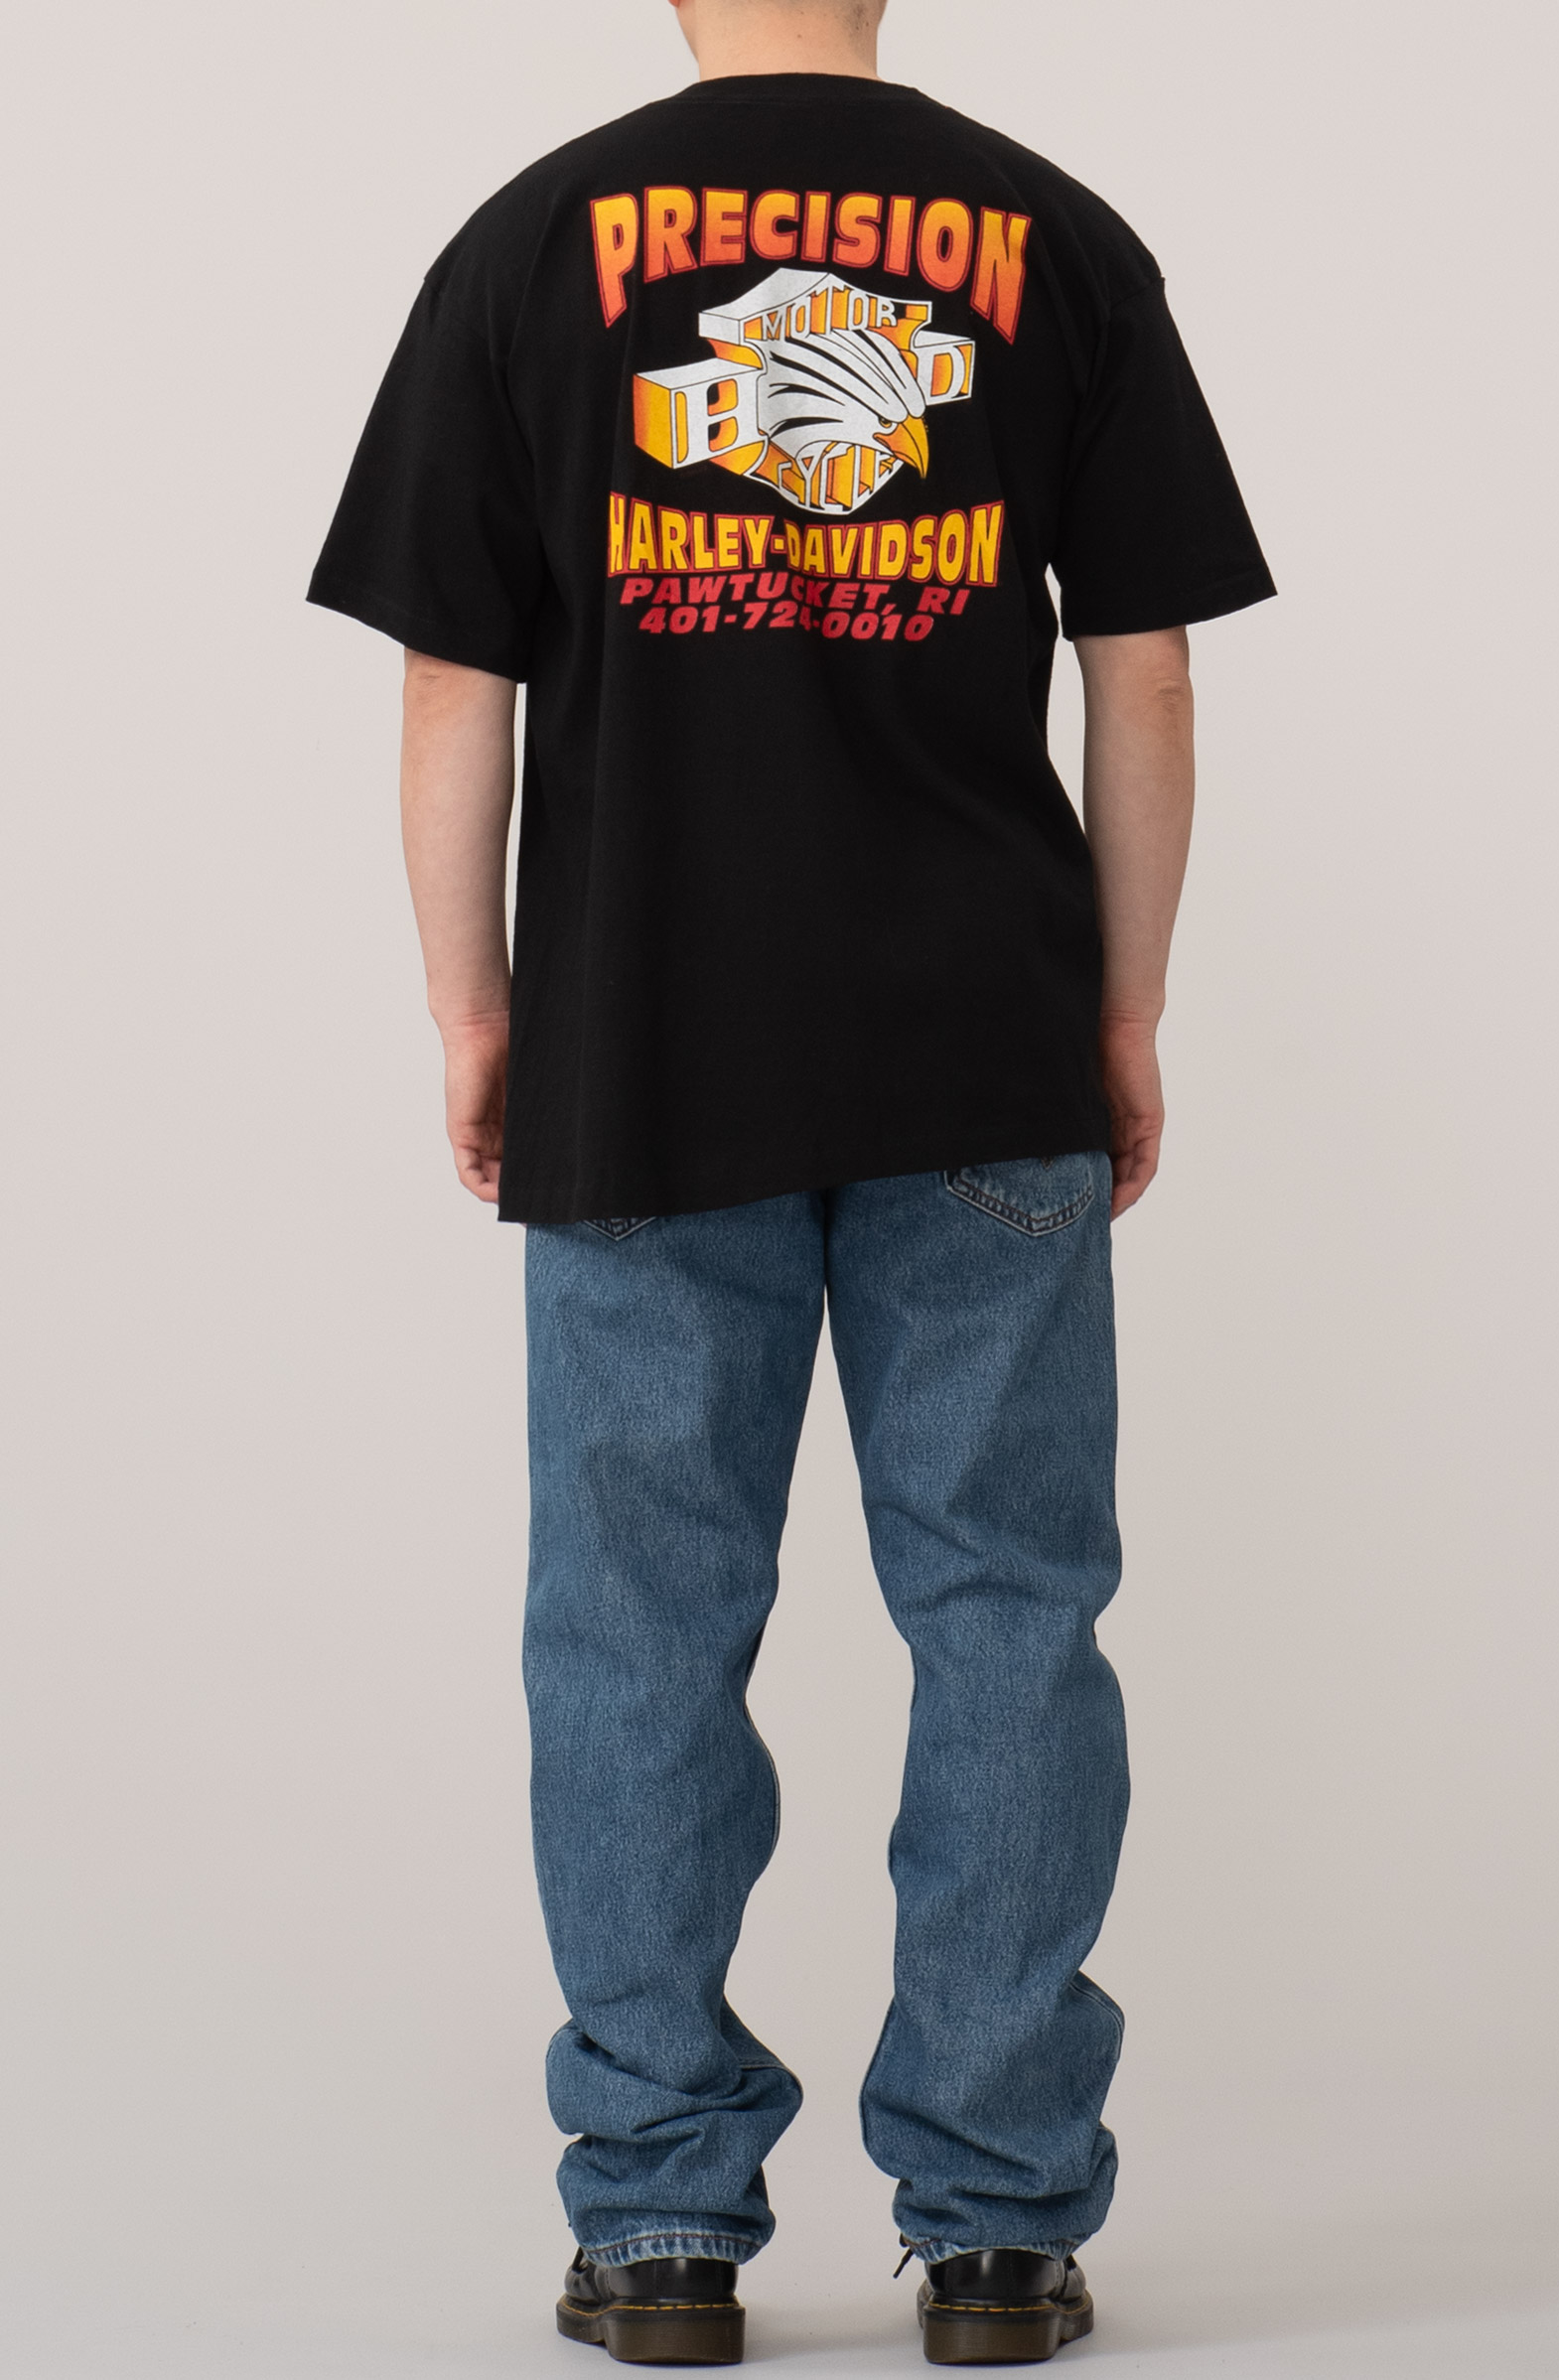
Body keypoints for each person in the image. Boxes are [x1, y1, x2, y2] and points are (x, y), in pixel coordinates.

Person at [309, 0, 1274, 2362]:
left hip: (642, 1046)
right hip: (980, 1046)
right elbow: (1140, 672)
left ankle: (655, 2221)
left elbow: (452, 683)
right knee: (1009, 1610)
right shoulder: (1054, 237)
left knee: (634, 1627)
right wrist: (1124, 1003)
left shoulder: (530, 243)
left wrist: (473, 1009)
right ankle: (997, 2226)